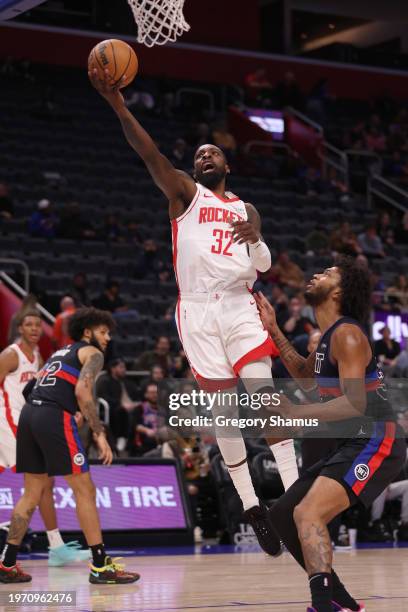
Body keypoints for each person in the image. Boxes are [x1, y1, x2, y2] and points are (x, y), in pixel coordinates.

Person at [89, 67, 301, 556]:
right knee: (225, 415)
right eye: (199, 153)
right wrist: (120, 106)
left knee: (266, 399)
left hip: (240, 306)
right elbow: (150, 153)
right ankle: (252, 505)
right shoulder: (185, 194)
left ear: (228, 164)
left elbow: (261, 258)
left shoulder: (247, 208)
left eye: (213, 152)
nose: (205, 155)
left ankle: (293, 499)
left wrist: (258, 240)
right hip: (198, 313)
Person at [255, 256, 406, 612]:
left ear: (338, 291)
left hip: (377, 440)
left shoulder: (349, 335)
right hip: (353, 442)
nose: (317, 275)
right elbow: (308, 380)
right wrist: (273, 329)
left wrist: (293, 412)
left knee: (308, 513)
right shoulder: (328, 338)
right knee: (282, 514)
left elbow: (353, 404)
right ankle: (343, 602)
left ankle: (323, 606)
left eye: (327, 273)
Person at [0, 308, 139, 584]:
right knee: (85, 489)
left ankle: (6, 562)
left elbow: (31, 390)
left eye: (109, 332)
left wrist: (67, 406)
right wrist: (99, 434)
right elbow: (82, 391)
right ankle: (100, 565)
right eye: (103, 331)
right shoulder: (93, 354)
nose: (107, 337)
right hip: (52, 416)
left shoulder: (59, 353)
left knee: (31, 493)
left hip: (29, 414)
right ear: (87, 332)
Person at [0, 310, 90, 568]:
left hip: (27, 419)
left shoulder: (39, 356)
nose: (35, 329)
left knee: (42, 484)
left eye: (38, 325)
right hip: (9, 421)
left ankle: (54, 546)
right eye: (29, 324)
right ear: (19, 327)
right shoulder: (10, 354)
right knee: (39, 484)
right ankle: (51, 548)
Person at [95, 357, 139, 449]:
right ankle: (121, 438)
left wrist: (136, 404)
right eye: (121, 367)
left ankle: (136, 443)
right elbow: (103, 397)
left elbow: (137, 397)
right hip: (112, 408)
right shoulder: (105, 381)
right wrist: (121, 404)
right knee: (121, 411)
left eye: (124, 368)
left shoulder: (128, 383)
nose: (124, 370)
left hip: (130, 407)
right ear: (113, 368)